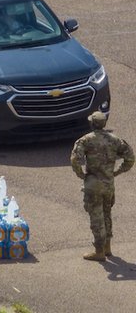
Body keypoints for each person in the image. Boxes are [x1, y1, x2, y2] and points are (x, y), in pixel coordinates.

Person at [70, 111, 134, 261]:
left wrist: (81, 175)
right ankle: (107, 248)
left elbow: (75, 159)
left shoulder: (85, 140)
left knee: (96, 217)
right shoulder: (116, 140)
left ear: (91, 124)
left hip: (93, 184)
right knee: (106, 214)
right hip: (108, 184)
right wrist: (117, 172)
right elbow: (130, 158)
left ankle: (99, 251)